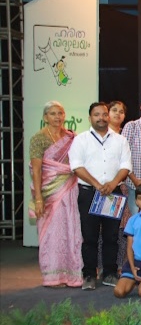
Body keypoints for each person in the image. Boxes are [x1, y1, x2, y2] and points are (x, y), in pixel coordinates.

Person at [68, 102, 132, 290]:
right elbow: (76, 166)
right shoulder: (81, 140)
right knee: (89, 236)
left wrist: (112, 184)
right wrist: (97, 185)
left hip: (113, 194)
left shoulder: (120, 140)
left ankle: (110, 273)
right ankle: (89, 274)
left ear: (108, 116)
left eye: (104, 114)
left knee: (112, 236)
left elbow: (126, 166)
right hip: (89, 193)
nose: (101, 118)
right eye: (97, 115)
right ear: (90, 118)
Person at [28, 100, 83, 288]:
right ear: (45, 117)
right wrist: (38, 198)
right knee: (52, 234)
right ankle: (53, 276)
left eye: (60, 113)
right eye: (52, 113)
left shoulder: (71, 137)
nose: (57, 117)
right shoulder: (38, 138)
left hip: (70, 190)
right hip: (50, 193)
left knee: (71, 231)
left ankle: (72, 274)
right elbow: (36, 170)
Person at [107, 100, 131, 271]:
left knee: (123, 228)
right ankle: (102, 266)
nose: (117, 114)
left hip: (122, 187)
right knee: (105, 229)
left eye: (121, 112)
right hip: (104, 189)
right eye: (114, 110)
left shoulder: (126, 135)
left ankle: (121, 265)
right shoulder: (100, 135)